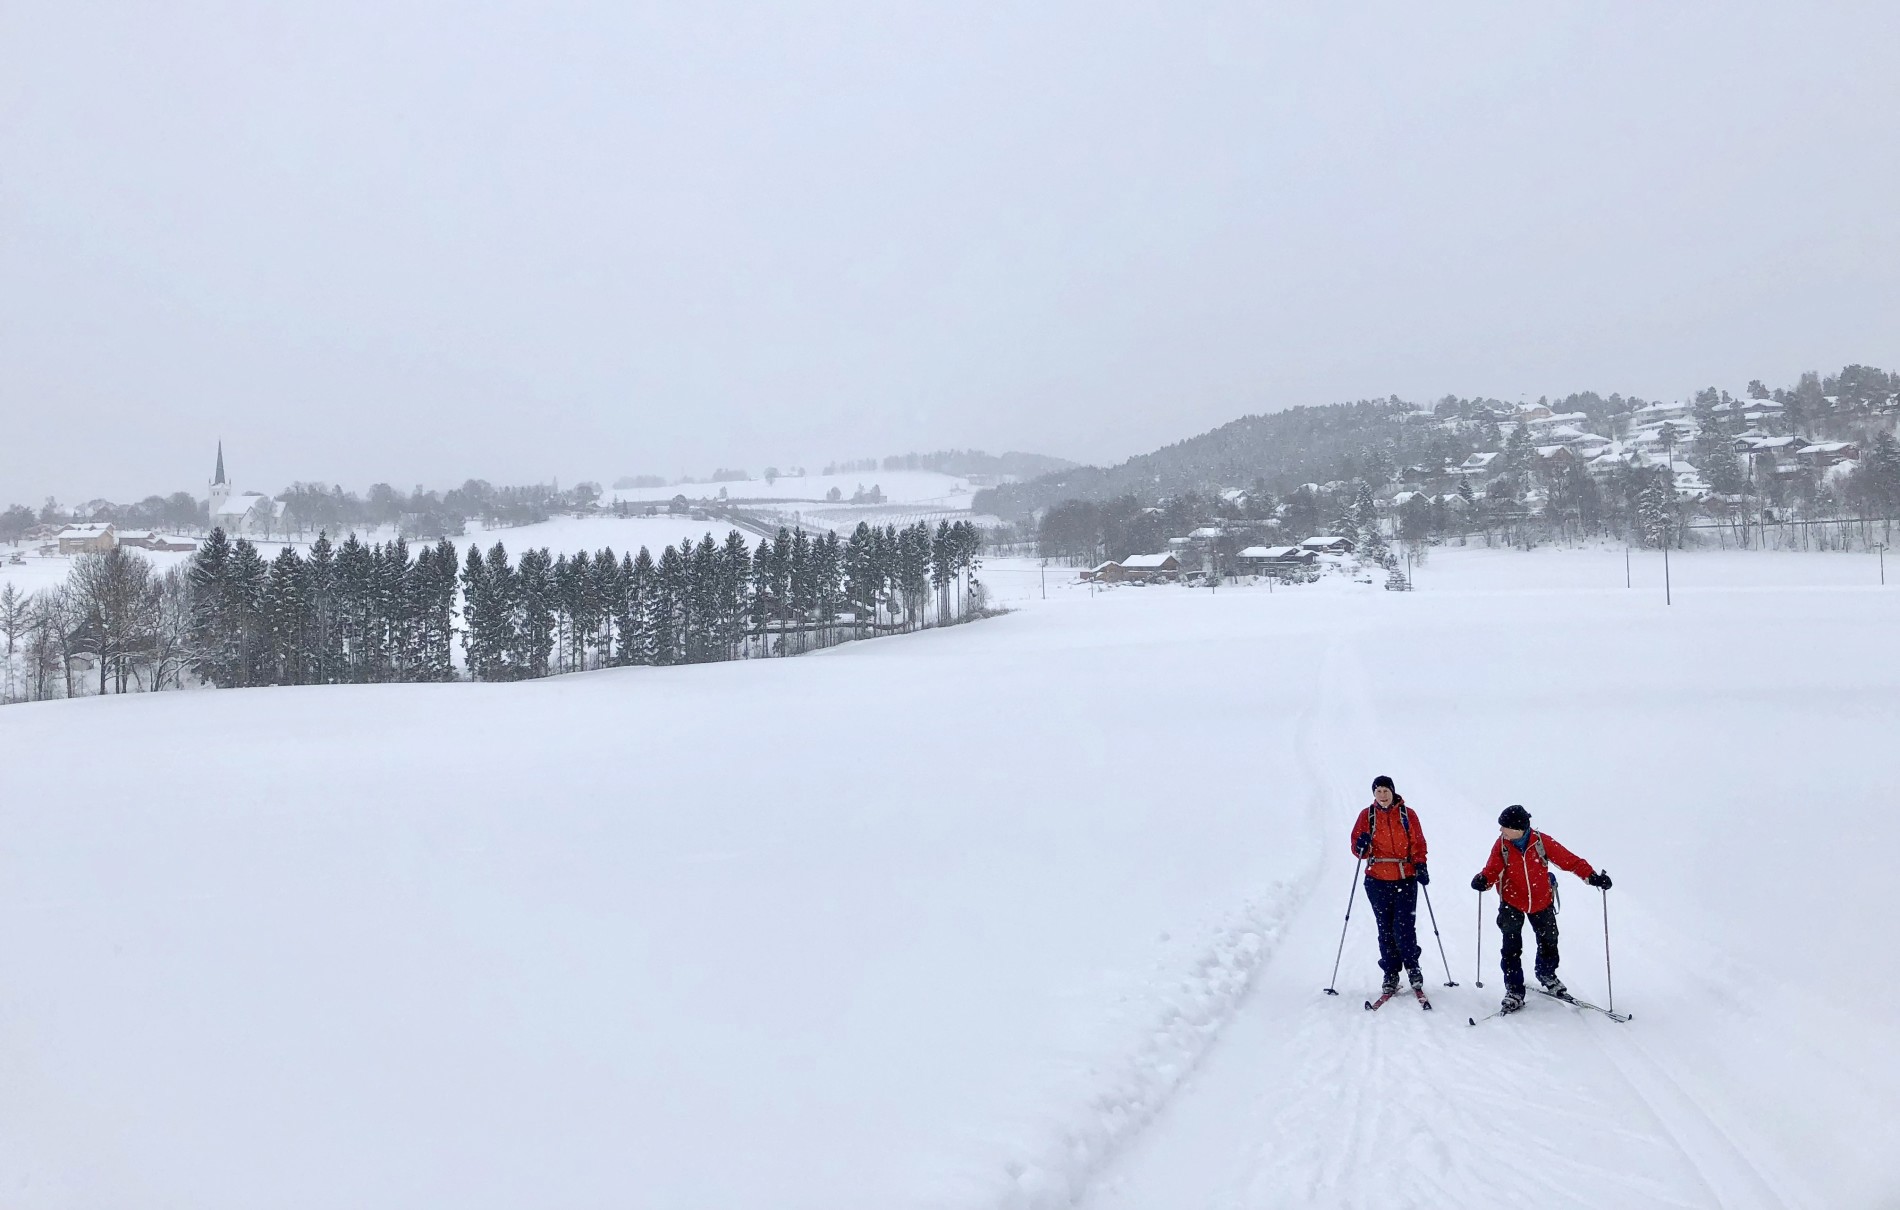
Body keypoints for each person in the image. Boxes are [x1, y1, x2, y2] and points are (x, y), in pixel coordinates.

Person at [1469, 804, 1612, 1012]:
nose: (1501, 831)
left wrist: (1592, 877)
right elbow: (1492, 869)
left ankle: (1546, 974)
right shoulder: (1502, 846)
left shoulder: (1541, 842)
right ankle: (1514, 990)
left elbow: (1569, 861)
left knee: (1549, 940)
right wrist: (1483, 880)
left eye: (1504, 827)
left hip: (1541, 900)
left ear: (1518, 828)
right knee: (1511, 948)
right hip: (1512, 901)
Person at [1349, 775, 1429, 996]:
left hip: (1405, 877)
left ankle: (1413, 968)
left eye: (1386, 790)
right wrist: (1361, 845)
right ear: (1374, 794)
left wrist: (1421, 864)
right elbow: (1357, 848)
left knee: (1404, 927)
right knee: (1385, 928)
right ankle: (1391, 973)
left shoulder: (1407, 814)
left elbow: (1418, 841)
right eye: (1378, 791)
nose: (1382, 795)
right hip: (1377, 880)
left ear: (1393, 792)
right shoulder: (1367, 816)